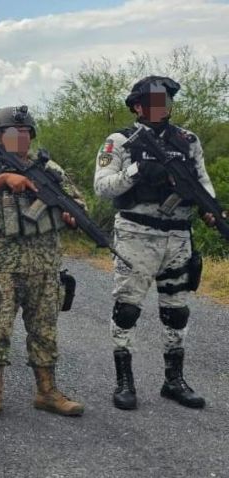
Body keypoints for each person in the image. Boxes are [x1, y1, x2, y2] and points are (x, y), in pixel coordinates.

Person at [94, 76, 216, 410]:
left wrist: (209, 208)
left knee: (177, 310)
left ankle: (174, 381)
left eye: (166, 102)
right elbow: (102, 188)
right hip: (136, 234)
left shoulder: (188, 140)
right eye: (155, 102)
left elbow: (203, 182)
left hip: (178, 236)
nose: (163, 107)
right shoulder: (120, 141)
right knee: (128, 308)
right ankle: (124, 382)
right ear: (138, 106)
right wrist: (136, 170)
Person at [0, 105, 85, 419]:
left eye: (26, 132)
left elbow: (77, 201)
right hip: (0, 269)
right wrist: (2, 180)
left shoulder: (49, 169)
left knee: (45, 331)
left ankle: (47, 392)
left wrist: (73, 215)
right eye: (14, 133)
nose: (22, 138)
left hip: (44, 266)